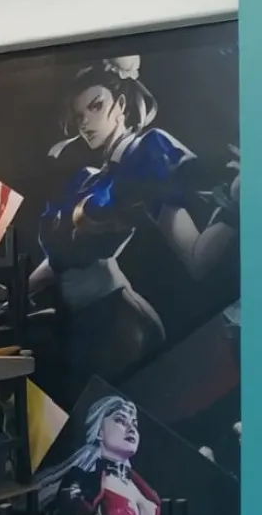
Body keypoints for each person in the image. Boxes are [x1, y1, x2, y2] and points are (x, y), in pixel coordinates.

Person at [31, 57, 239, 389]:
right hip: (79, 318)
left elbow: (197, 258)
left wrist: (234, 204)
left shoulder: (146, 154)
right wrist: (9, 302)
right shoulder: (90, 178)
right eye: (79, 115)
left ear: (121, 105)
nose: (85, 122)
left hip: (118, 323)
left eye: (96, 106)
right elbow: (58, 260)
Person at [37, 394, 161, 515]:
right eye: (120, 420)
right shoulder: (80, 481)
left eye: (134, 424)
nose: (131, 429)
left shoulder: (141, 486)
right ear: (99, 432)